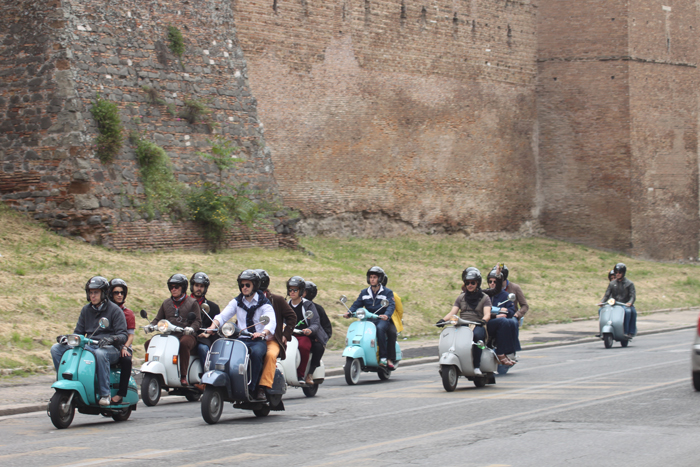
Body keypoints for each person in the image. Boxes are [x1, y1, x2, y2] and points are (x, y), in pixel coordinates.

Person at [51, 276, 128, 406]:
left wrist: (111, 339)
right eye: (91, 292)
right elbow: (79, 332)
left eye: (96, 292)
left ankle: (105, 394)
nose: (93, 295)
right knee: (56, 349)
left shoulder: (114, 310)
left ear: (104, 293)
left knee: (100, 353)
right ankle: (66, 381)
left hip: (110, 348)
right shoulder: (86, 310)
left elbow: (123, 335)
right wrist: (66, 338)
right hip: (89, 345)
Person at [207, 269, 276, 400]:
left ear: (255, 286)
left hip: (257, 340)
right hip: (240, 340)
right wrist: (212, 327)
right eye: (242, 285)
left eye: (247, 285)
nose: (244, 287)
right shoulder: (237, 301)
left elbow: (271, 321)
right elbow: (223, 316)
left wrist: (263, 333)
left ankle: (254, 388)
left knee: (256, 354)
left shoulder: (264, 303)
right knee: (226, 353)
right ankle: (230, 384)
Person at [437, 268, 516, 374]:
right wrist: (442, 320)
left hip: (477, 324)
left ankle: (476, 366)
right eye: (467, 283)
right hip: (462, 324)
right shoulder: (461, 297)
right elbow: (452, 312)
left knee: (478, 338)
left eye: (472, 283)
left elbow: (487, 313)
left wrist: (483, 320)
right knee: (450, 336)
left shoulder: (484, 297)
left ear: (477, 283)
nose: (470, 285)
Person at [144, 274, 201, 386]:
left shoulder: (192, 303)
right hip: (169, 335)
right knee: (149, 344)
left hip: (186, 334)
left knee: (184, 343)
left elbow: (198, 321)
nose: (173, 289)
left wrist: (191, 328)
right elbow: (158, 319)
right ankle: (154, 373)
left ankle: (183, 375)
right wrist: (150, 326)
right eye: (171, 287)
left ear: (183, 288)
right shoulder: (166, 303)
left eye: (176, 287)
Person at [344, 266, 397, 370]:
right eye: (371, 277)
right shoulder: (364, 292)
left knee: (380, 329)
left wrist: (386, 315)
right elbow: (357, 304)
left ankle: (383, 357)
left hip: (381, 319)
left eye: (374, 277)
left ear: (380, 279)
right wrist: (349, 312)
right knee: (359, 329)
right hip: (368, 319)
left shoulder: (387, 292)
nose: (372, 279)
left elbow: (391, 305)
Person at [255, 269, 296, 392]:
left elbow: (292, 317)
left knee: (270, 355)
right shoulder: (247, 300)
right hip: (253, 339)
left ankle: (263, 387)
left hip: (271, 340)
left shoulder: (277, 300)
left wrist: (285, 335)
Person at [287, 276, 328, 384]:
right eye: (290, 289)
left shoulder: (308, 305)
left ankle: (301, 375)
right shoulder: (286, 304)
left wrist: (310, 330)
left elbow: (315, 322)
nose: (292, 292)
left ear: (301, 291)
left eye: (295, 290)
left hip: (303, 335)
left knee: (304, 347)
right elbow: (280, 319)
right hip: (288, 334)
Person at [108, 278, 135, 404]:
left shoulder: (128, 313)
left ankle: (121, 393)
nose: (119, 295)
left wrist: (125, 347)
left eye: (122, 293)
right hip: (108, 345)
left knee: (126, 360)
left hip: (123, 345)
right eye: (116, 292)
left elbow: (131, 335)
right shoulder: (106, 311)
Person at [486, 268, 521, 354]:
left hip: (501, 320)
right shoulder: (484, 294)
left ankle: (510, 351)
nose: (492, 284)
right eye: (490, 282)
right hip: (487, 320)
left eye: (495, 282)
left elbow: (511, 311)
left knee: (512, 322)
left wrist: (505, 312)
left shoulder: (506, 295)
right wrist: (497, 310)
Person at [190, 272, 221, 369]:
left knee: (203, 348)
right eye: (196, 285)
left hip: (203, 339)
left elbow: (217, 328)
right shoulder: (184, 304)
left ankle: (208, 373)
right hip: (187, 335)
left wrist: (207, 333)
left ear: (205, 288)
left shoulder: (213, 307)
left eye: (201, 286)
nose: (199, 288)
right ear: (192, 286)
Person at [598, 262, 637, 338]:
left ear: (623, 273)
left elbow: (632, 296)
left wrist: (629, 303)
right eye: (616, 272)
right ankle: (601, 331)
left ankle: (627, 331)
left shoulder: (629, 283)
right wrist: (602, 302)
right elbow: (607, 294)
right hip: (614, 304)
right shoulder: (612, 283)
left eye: (619, 272)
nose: (617, 274)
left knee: (628, 311)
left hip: (624, 304)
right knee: (601, 310)